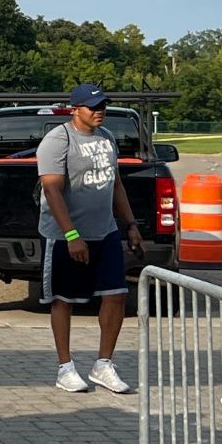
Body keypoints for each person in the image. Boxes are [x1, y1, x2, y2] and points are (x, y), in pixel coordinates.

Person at [36, 83, 143, 395]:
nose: (100, 111)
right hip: (66, 234)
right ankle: (65, 367)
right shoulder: (58, 140)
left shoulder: (107, 138)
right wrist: (72, 235)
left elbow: (116, 184)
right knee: (64, 299)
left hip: (105, 230)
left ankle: (103, 364)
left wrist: (131, 224)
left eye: (103, 106)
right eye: (93, 107)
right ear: (75, 109)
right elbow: (52, 189)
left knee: (116, 294)